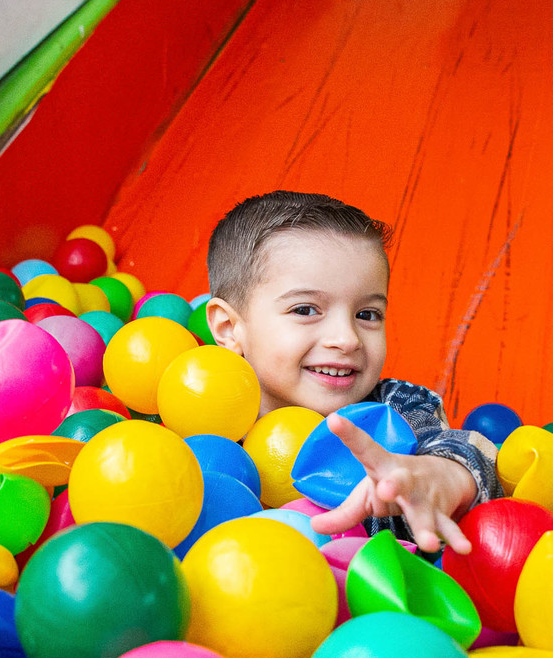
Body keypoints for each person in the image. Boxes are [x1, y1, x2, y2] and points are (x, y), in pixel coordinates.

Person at [205, 190, 502, 553]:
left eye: (367, 314)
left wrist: (440, 476)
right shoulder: (199, 419)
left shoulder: (398, 409)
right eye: (305, 309)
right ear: (228, 328)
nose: (347, 339)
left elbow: (464, 449)